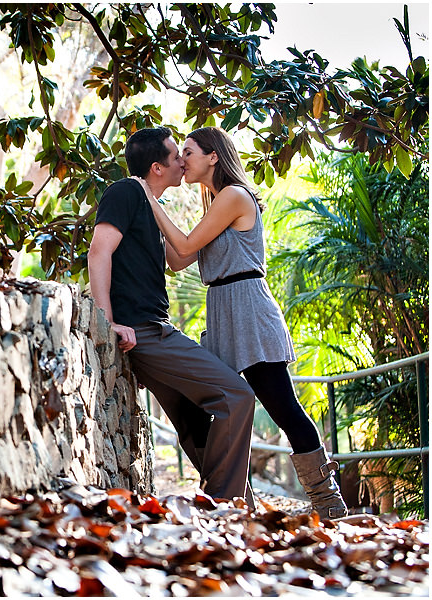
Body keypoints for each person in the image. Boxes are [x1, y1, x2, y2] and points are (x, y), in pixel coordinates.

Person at [138, 126, 347, 519]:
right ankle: (233, 498)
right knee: (211, 407)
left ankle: (329, 502)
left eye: (189, 151)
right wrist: (147, 214)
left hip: (249, 310)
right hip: (223, 309)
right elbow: (180, 259)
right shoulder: (215, 204)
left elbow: (183, 246)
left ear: (213, 156)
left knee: (284, 409)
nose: (182, 160)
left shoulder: (233, 196)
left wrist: (149, 199)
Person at [88, 126, 257, 508]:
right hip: (145, 333)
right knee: (237, 396)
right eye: (176, 155)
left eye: (187, 153)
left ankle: (236, 501)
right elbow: (99, 252)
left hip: (154, 329)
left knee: (194, 420)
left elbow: (180, 256)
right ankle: (222, 504)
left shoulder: (149, 206)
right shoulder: (127, 191)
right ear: (157, 168)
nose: (183, 161)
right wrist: (106, 320)